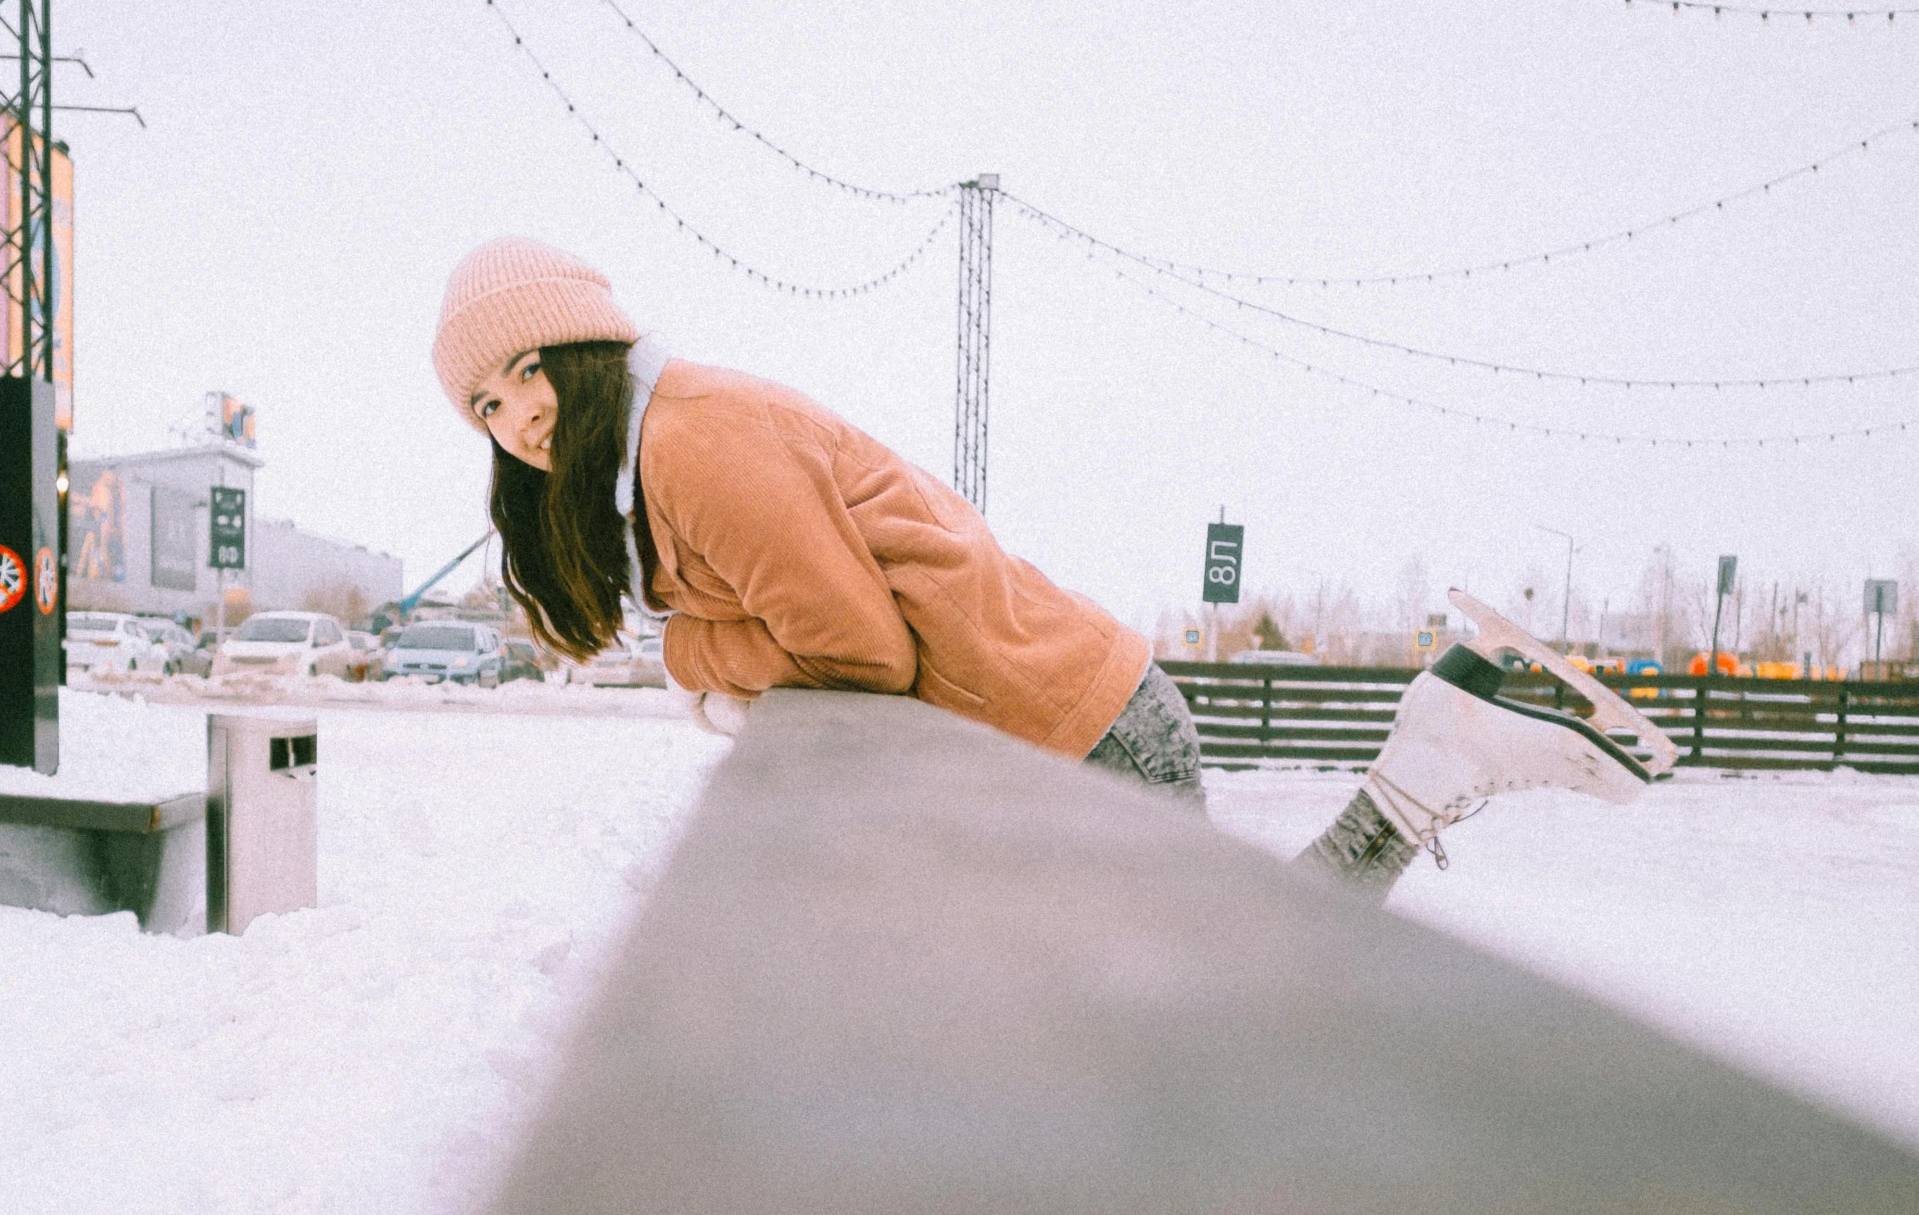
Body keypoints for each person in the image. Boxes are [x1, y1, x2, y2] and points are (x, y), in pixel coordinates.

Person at [433, 237, 1652, 903]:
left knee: (1224, 1010)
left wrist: (693, 656)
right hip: (1060, 721)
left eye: (528, 373)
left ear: (587, 354)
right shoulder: (656, 456)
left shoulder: (691, 438)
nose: (516, 419)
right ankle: (1427, 764)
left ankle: (1426, 765)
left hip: (1077, 731)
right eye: (485, 405)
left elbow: (858, 650)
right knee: (1217, 994)